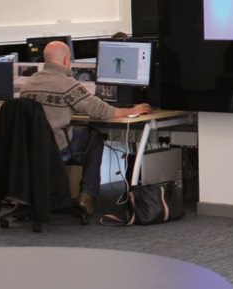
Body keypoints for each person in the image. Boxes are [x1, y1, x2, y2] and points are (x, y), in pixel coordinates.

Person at [20, 40, 151, 214]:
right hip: (57, 147)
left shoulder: (28, 83)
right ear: (66, 60)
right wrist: (133, 110)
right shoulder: (68, 85)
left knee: (79, 131)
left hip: (30, 147)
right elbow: (101, 111)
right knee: (94, 135)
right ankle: (86, 196)